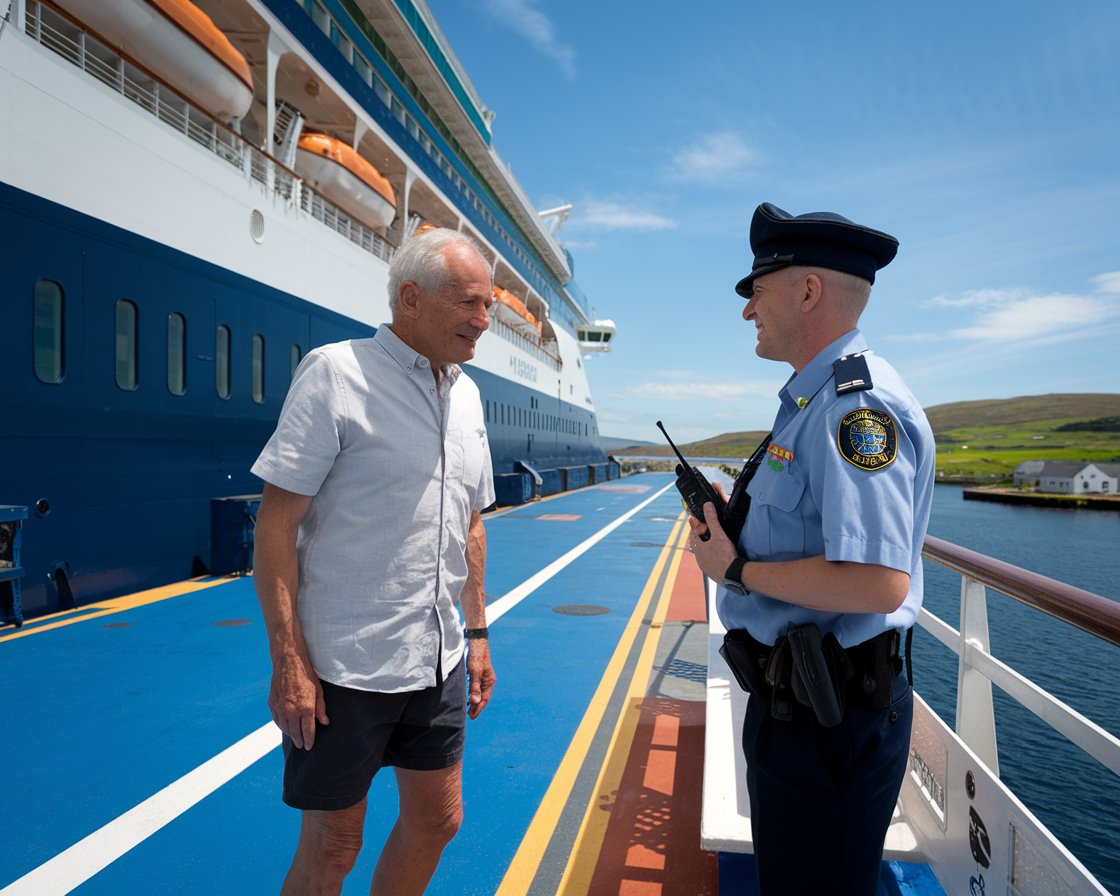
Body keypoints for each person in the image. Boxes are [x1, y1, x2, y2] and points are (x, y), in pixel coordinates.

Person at [688, 202, 936, 895]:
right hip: (801, 706)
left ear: (807, 291)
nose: (747, 312)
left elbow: (878, 583)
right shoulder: (810, 402)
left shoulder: (857, 409)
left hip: (831, 722)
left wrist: (735, 568)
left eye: (757, 291)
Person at [251, 227, 497, 896]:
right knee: (333, 846)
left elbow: (469, 524)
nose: (484, 322)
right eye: (471, 304)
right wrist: (289, 663)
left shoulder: (468, 395)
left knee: (439, 820)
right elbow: (275, 526)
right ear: (411, 299)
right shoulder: (338, 373)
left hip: (436, 655)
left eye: (491, 306)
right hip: (343, 664)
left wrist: (476, 635)